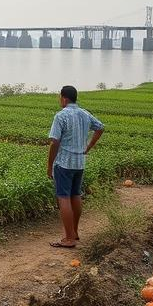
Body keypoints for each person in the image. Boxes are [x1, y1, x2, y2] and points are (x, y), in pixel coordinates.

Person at [47, 85, 104, 248]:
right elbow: (100, 128)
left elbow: (55, 142)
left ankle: (69, 238)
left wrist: (50, 164)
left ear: (64, 98)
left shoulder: (61, 116)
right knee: (75, 195)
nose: (59, 100)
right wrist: (88, 146)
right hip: (79, 163)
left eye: (60, 97)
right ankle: (74, 233)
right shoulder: (84, 114)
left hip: (64, 163)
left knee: (63, 198)